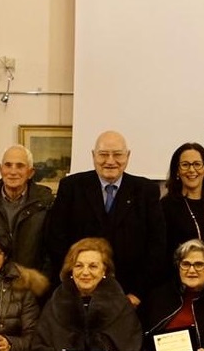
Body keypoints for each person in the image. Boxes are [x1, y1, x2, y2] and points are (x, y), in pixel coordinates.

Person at [41, 130, 167, 303]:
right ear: (93, 155)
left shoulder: (145, 191)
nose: (110, 161)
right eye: (103, 154)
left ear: (128, 156)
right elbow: (56, 240)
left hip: (129, 295)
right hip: (77, 292)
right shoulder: (71, 187)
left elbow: (157, 246)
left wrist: (138, 293)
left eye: (117, 154)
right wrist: (77, 283)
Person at [0, 144, 57, 273]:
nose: (13, 172)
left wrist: (41, 284)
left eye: (20, 166)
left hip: (31, 286)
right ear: (0, 169)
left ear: (30, 172)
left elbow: (52, 253)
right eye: (8, 165)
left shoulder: (46, 204)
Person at [159, 143, 204, 292]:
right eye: (185, 165)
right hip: (177, 287)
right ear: (177, 171)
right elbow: (162, 253)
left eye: (197, 164)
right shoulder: (165, 207)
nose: (191, 170)